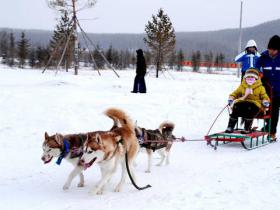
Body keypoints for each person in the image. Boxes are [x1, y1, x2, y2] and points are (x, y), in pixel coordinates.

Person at [225, 68, 270, 134]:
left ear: (256, 78)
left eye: (252, 77)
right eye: (248, 77)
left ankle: (247, 128)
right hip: (243, 103)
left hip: (255, 104)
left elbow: (264, 96)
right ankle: (230, 126)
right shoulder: (242, 86)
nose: (250, 78)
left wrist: (265, 101)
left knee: (250, 107)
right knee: (236, 106)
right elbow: (235, 93)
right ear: (245, 78)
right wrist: (231, 99)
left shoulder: (260, 87)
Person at [256, 35, 280, 141]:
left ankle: (270, 131)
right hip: (268, 91)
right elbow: (256, 69)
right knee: (269, 111)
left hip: (279, 90)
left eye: (273, 50)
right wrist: (260, 76)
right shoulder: (263, 57)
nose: (270, 51)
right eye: (269, 49)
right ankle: (270, 129)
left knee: (273, 112)